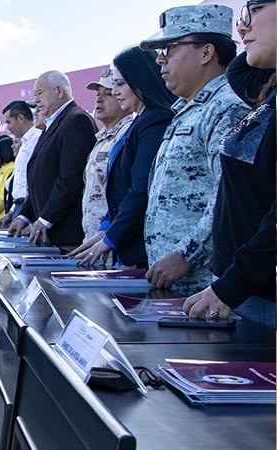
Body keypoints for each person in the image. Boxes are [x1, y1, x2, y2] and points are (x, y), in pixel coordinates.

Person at [139, 4, 250, 292]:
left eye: (170, 48)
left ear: (206, 52)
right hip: (177, 284)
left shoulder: (228, 109)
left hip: (205, 285)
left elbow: (228, 195)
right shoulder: (189, 110)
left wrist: (185, 255)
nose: (160, 61)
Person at [184, 0, 276, 328]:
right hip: (242, 290)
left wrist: (234, 283)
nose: (242, 26)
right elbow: (240, 71)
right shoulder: (268, 93)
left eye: (255, 9)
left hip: (255, 293)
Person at [73, 46, 177, 268]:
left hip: (140, 251)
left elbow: (140, 189)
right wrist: (105, 230)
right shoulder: (140, 121)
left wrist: (111, 238)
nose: (116, 91)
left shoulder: (155, 120)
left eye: (119, 84)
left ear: (140, 80)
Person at [8, 70, 98, 249]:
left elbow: (70, 179)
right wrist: (24, 216)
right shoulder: (51, 124)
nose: (37, 101)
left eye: (39, 94)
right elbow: (39, 180)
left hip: (67, 235)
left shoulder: (76, 120)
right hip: (49, 233)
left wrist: (45, 219)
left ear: (59, 91)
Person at [79, 66, 135, 241]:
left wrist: (109, 234)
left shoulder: (129, 134)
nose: (99, 99)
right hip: (92, 241)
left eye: (108, 93)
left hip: (114, 242)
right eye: (98, 93)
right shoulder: (101, 138)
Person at [0, 100, 41, 227]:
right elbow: (21, 183)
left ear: (20, 118)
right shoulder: (25, 143)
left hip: (29, 210)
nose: (8, 127)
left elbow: (34, 183)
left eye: (9, 122)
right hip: (20, 207)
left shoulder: (36, 139)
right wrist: (11, 212)